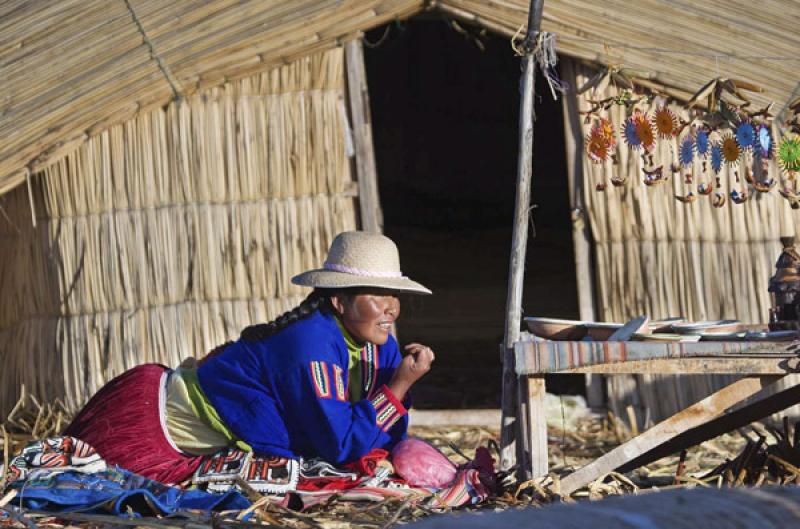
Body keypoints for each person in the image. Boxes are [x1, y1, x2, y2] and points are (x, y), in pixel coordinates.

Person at [64, 231, 435, 484]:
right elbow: (338, 445)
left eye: (393, 295)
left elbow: (382, 434)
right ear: (339, 301)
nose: (390, 309)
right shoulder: (311, 349)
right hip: (156, 424)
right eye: (377, 296)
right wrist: (399, 385)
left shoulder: (378, 342)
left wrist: (397, 389)